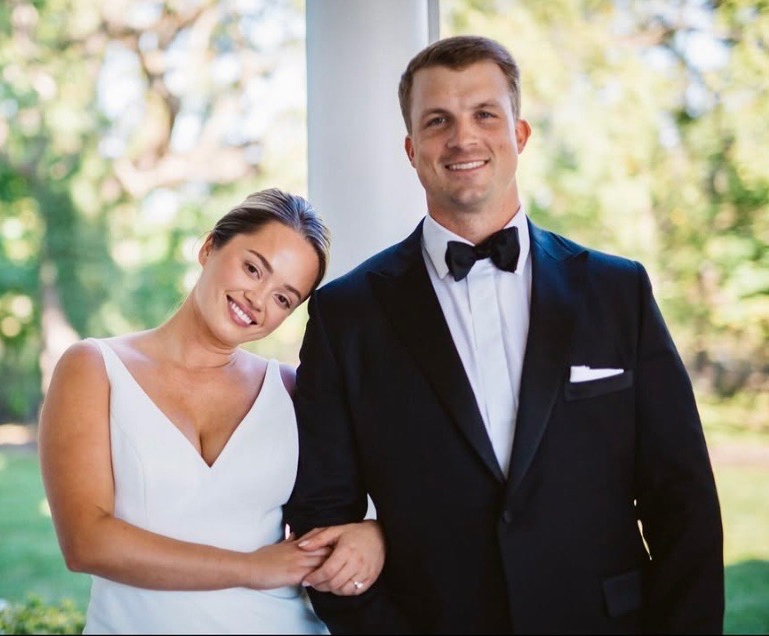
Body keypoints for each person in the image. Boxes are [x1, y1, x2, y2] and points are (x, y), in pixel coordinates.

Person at [285, 35, 724, 634]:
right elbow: (320, 519)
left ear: (519, 135)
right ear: (412, 151)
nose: (462, 138)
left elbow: (684, 502)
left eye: (484, 114)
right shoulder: (347, 315)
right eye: (438, 121)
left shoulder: (618, 292)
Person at [39, 188, 386, 635]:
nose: (258, 299)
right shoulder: (94, 368)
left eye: (284, 298)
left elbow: (386, 486)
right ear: (209, 247)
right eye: (252, 268)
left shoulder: (295, 391)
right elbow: (87, 543)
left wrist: (375, 533)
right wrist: (252, 568)